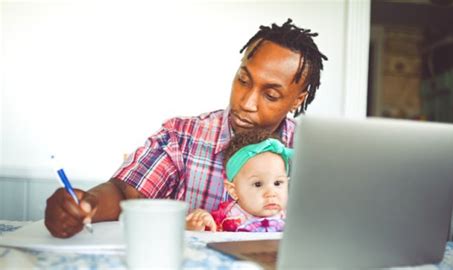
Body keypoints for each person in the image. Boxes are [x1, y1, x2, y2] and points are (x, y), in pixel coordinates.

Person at [44, 18, 327, 238]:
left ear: (297, 100)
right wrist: (87, 204)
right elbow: (123, 193)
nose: (247, 102)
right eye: (243, 79)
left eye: (271, 95)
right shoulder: (183, 136)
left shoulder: (315, 153)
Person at [186, 129, 292, 232]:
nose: (271, 193)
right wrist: (197, 225)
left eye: (277, 183)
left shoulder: (292, 219)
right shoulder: (226, 219)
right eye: (258, 184)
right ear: (233, 190)